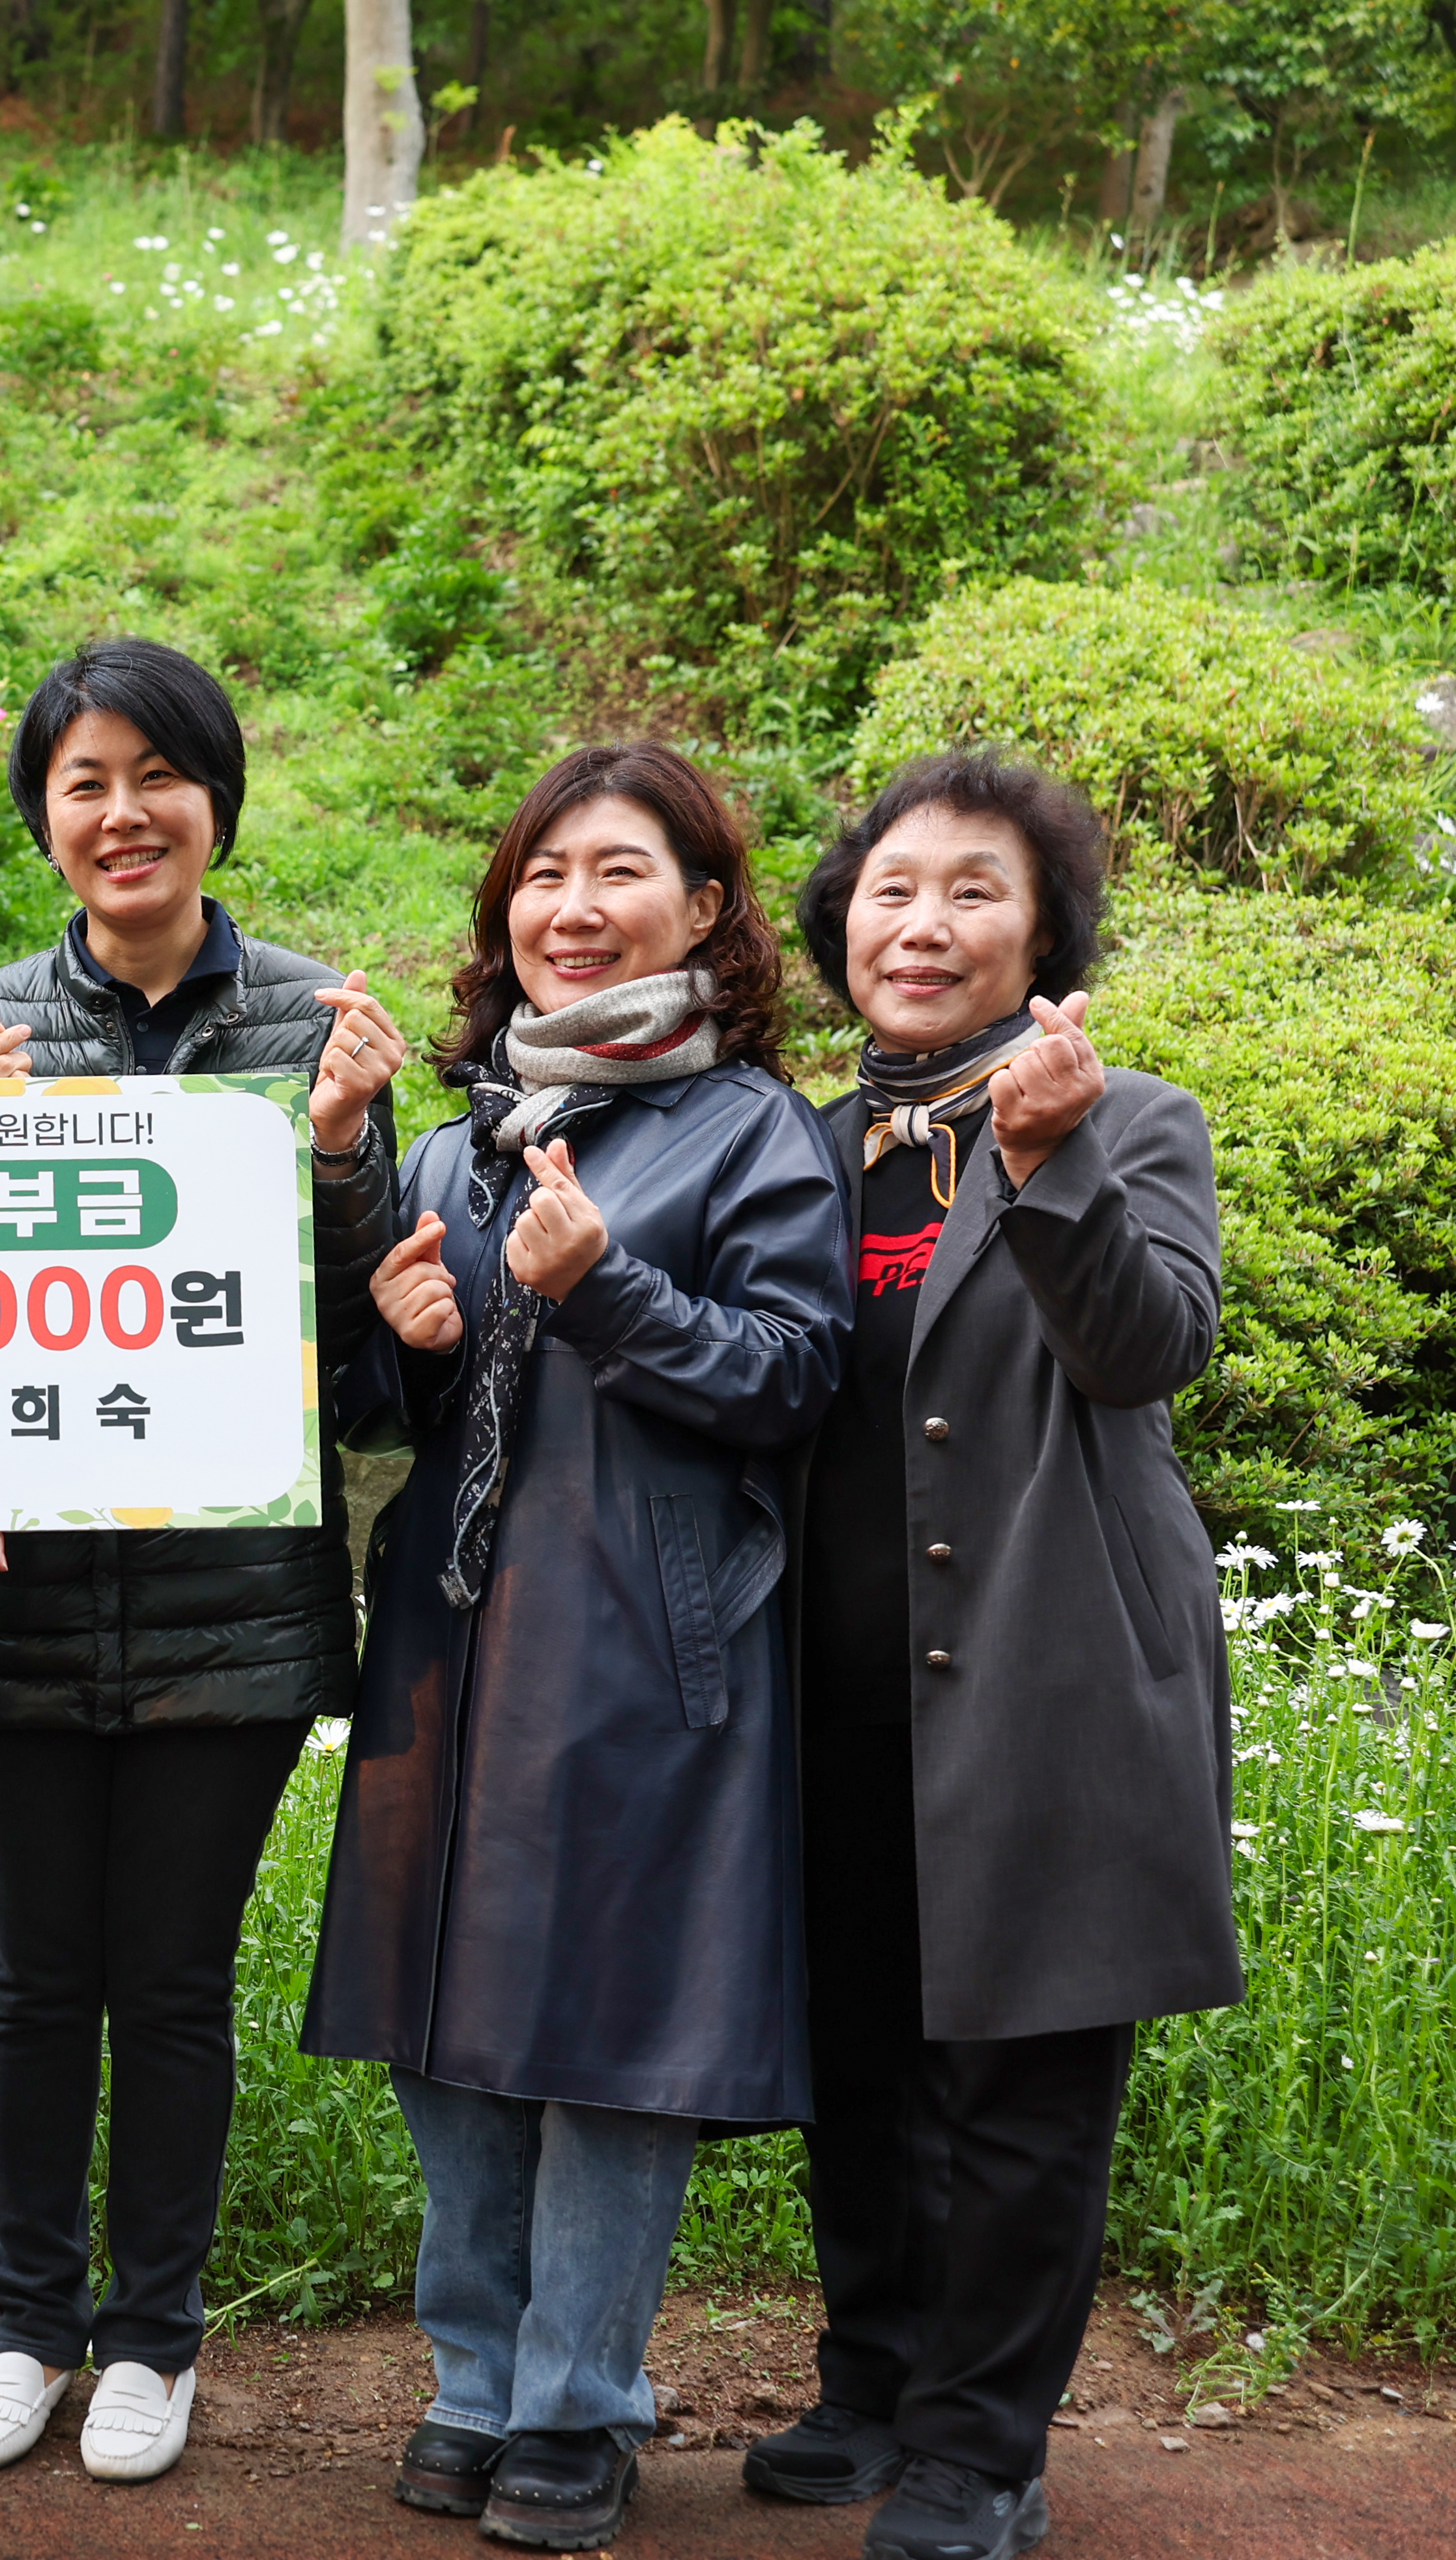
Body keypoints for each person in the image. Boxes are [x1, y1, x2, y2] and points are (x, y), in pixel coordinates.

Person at [302, 742, 850, 2553]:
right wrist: (403, 1321)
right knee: (441, 2024)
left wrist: (599, 1284)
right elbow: (410, 1407)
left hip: (650, 1648)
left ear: (701, 911)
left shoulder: (752, 1127)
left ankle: (580, 2404)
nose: (571, 906)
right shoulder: (467, 1135)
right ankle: (472, 2380)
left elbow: (790, 1379)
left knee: (616, 2036)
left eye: (618, 871)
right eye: (543, 875)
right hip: (450, 1646)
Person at [0, 639, 408, 2485]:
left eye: (156, 775)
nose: (123, 813)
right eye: (84, 782)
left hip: (235, 1605)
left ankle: (156, 2340)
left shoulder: (312, 1023)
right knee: (33, 1983)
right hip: (14, 1591)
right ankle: (31, 2326)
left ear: (216, 800)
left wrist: (346, 1151)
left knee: (174, 1986)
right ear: (45, 819)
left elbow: (370, 1352)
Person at [744, 754, 1239, 2560]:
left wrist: (1044, 1168)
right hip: (832, 1692)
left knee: (1025, 2083)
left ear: (1043, 937)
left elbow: (1147, 1348)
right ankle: (872, 2378)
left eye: (974, 891)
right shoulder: (792, 1140)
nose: (924, 923)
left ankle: (982, 2449)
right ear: (838, 926)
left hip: (1053, 1682)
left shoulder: (1135, 1122)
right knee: (862, 2055)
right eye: (891, 890)